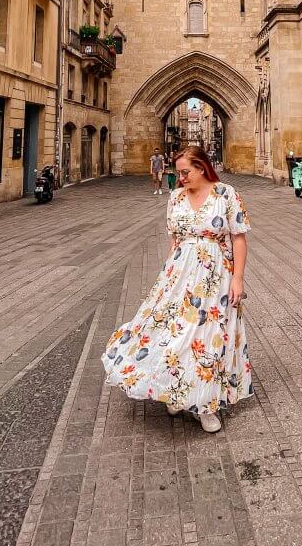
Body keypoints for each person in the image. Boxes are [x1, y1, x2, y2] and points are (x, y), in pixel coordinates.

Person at [102, 145, 252, 434]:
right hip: (180, 274)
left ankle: (205, 405)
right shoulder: (175, 198)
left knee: (209, 337)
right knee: (175, 332)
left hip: (216, 277)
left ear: (202, 168)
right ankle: (178, 390)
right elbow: (175, 242)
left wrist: (238, 278)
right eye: (178, 172)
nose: (180, 178)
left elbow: (239, 239)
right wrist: (166, 278)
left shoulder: (226, 194)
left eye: (185, 172)